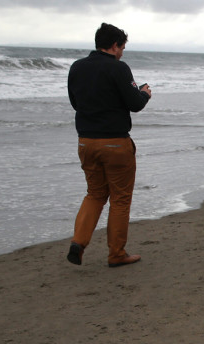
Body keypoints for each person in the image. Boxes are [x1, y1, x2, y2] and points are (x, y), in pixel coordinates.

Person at [66, 22, 151, 268]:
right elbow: (134, 103)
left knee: (94, 194)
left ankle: (78, 242)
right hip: (115, 142)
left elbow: (75, 102)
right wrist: (144, 93)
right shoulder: (119, 68)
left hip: (86, 141)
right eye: (122, 47)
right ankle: (116, 253)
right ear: (114, 46)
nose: (122, 52)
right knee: (120, 199)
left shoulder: (77, 67)